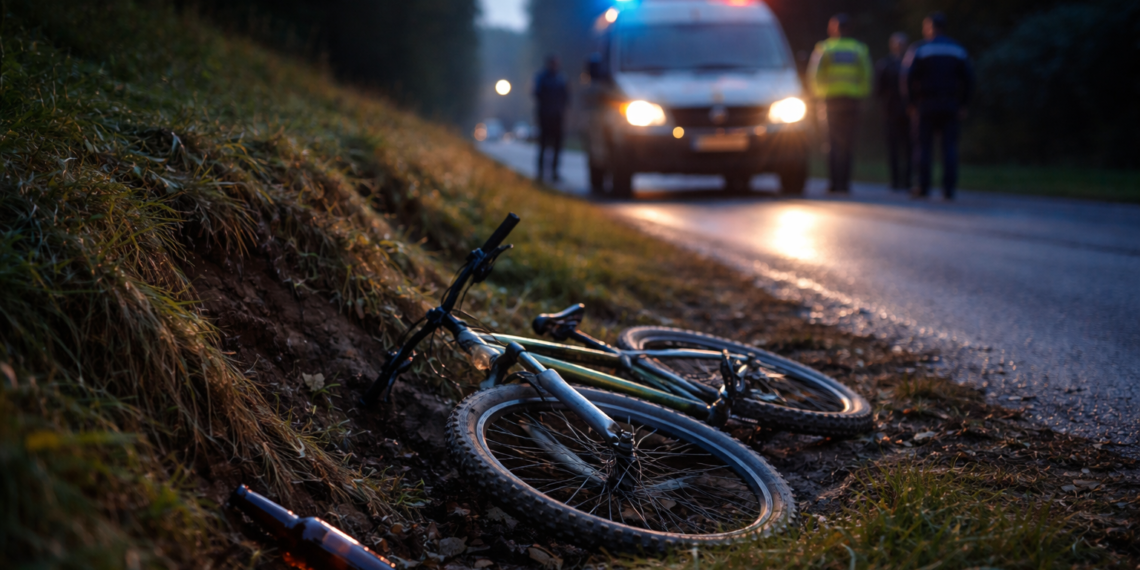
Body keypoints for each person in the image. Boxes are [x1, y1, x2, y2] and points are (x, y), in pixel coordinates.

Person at [901, 12, 974, 200]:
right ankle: (948, 189)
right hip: (951, 104)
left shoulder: (920, 49)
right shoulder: (957, 49)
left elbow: (907, 77)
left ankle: (923, 186)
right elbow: (969, 78)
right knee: (949, 147)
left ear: (930, 27)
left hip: (925, 104)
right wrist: (964, 103)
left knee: (923, 147)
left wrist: (910, 102)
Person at [807, 14, 873, 194]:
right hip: (852, 101)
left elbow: (814, 75)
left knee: (832, 143)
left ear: (833, 28)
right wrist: (862, 96)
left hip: (831, 101)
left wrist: (818, 96)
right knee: (849, 143)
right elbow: (866, 75)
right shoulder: (859, 49)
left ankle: (834, 183)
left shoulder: (825, 48)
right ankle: (845, 183)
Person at [875, 32, 912, 191]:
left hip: (909, 111)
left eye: (902, 43)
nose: (900, 47)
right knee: (893, 147)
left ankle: (908, 179)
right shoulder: (885, 64)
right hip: (890, 111)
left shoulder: (912, 63)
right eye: (897, 43)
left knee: (909, 147)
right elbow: (878, 88)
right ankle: (895, 180)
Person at [532, 55, 570, 182]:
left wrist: (561, 110)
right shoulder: (542, 78)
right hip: (545, 116)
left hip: (557, 117)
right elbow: (537, 94)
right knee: (543, 145)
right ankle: (541, 172)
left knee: (557, 146)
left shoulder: (561, 79)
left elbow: (566, 96)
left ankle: (554, 172)